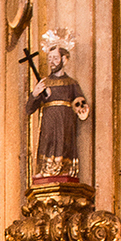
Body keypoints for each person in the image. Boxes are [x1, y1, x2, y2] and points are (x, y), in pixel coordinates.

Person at [27, 29, 88, 182]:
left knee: (64, 144)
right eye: (50, 58)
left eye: (55, 58)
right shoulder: (44, 83)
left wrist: (80, 107)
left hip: (65, 123)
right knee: (47, 143)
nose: (52, 62)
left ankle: (64, 170)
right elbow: (29, 109)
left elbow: (80, 102)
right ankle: (45, 170)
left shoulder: (71, 83)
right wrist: (35, 94)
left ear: (64, 60)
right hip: (49, 122)